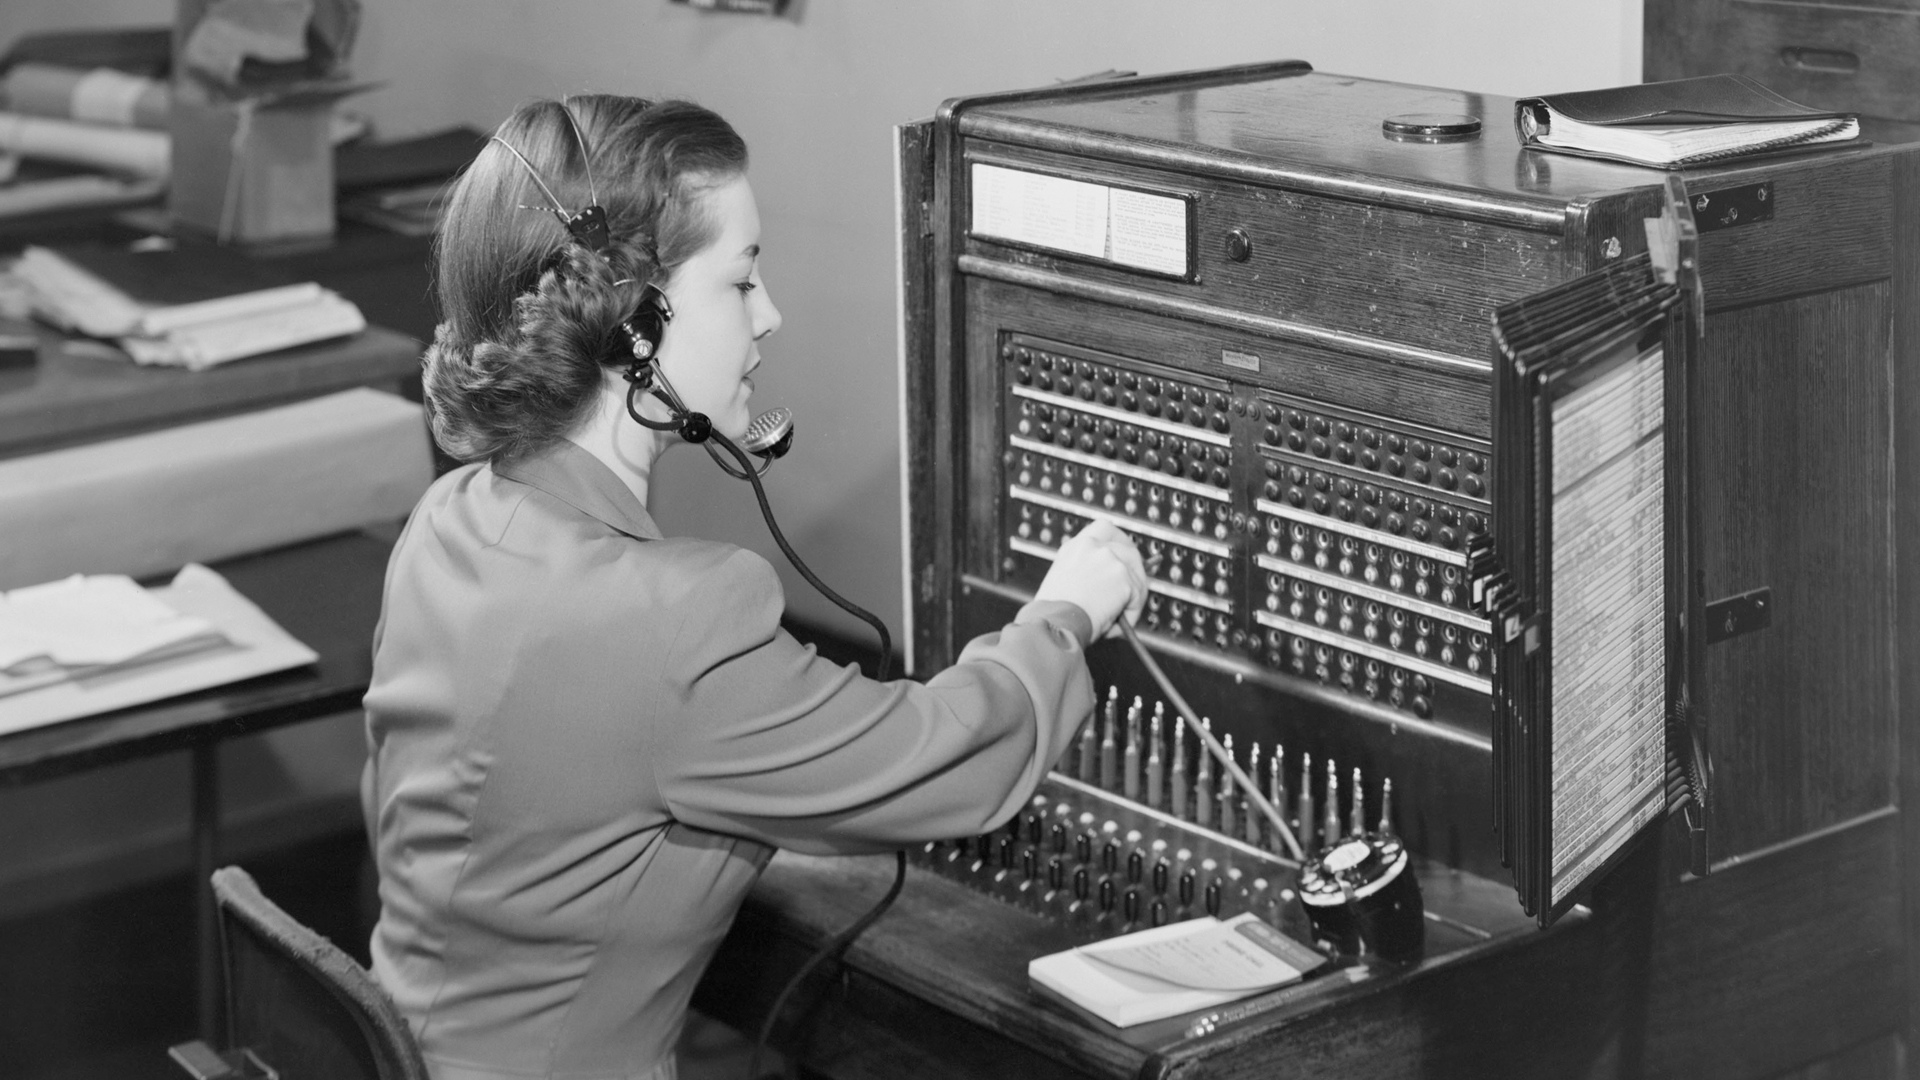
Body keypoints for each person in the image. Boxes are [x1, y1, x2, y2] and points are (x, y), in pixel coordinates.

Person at [360, 94, 1147, 1080]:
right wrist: (1066, 614)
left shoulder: (448, 522)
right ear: (633, 328)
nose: (769, 315)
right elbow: (951, 763)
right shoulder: (669, 619)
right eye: (741, 280)